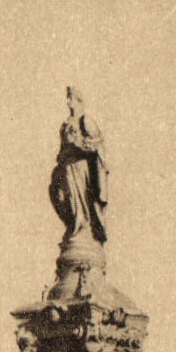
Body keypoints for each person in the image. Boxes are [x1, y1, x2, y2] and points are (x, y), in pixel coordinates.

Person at [48, 86, 108, 245]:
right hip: (66, 167)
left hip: (81, 168)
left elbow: (97, 143)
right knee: (61, 196)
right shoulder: (65, 124)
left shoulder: (85, 121)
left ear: (78, 100)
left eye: (70, 98)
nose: (68, 102)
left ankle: (82, 228)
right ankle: (74, 226)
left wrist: (79, 144)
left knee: (80, 202)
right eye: (67, 98)